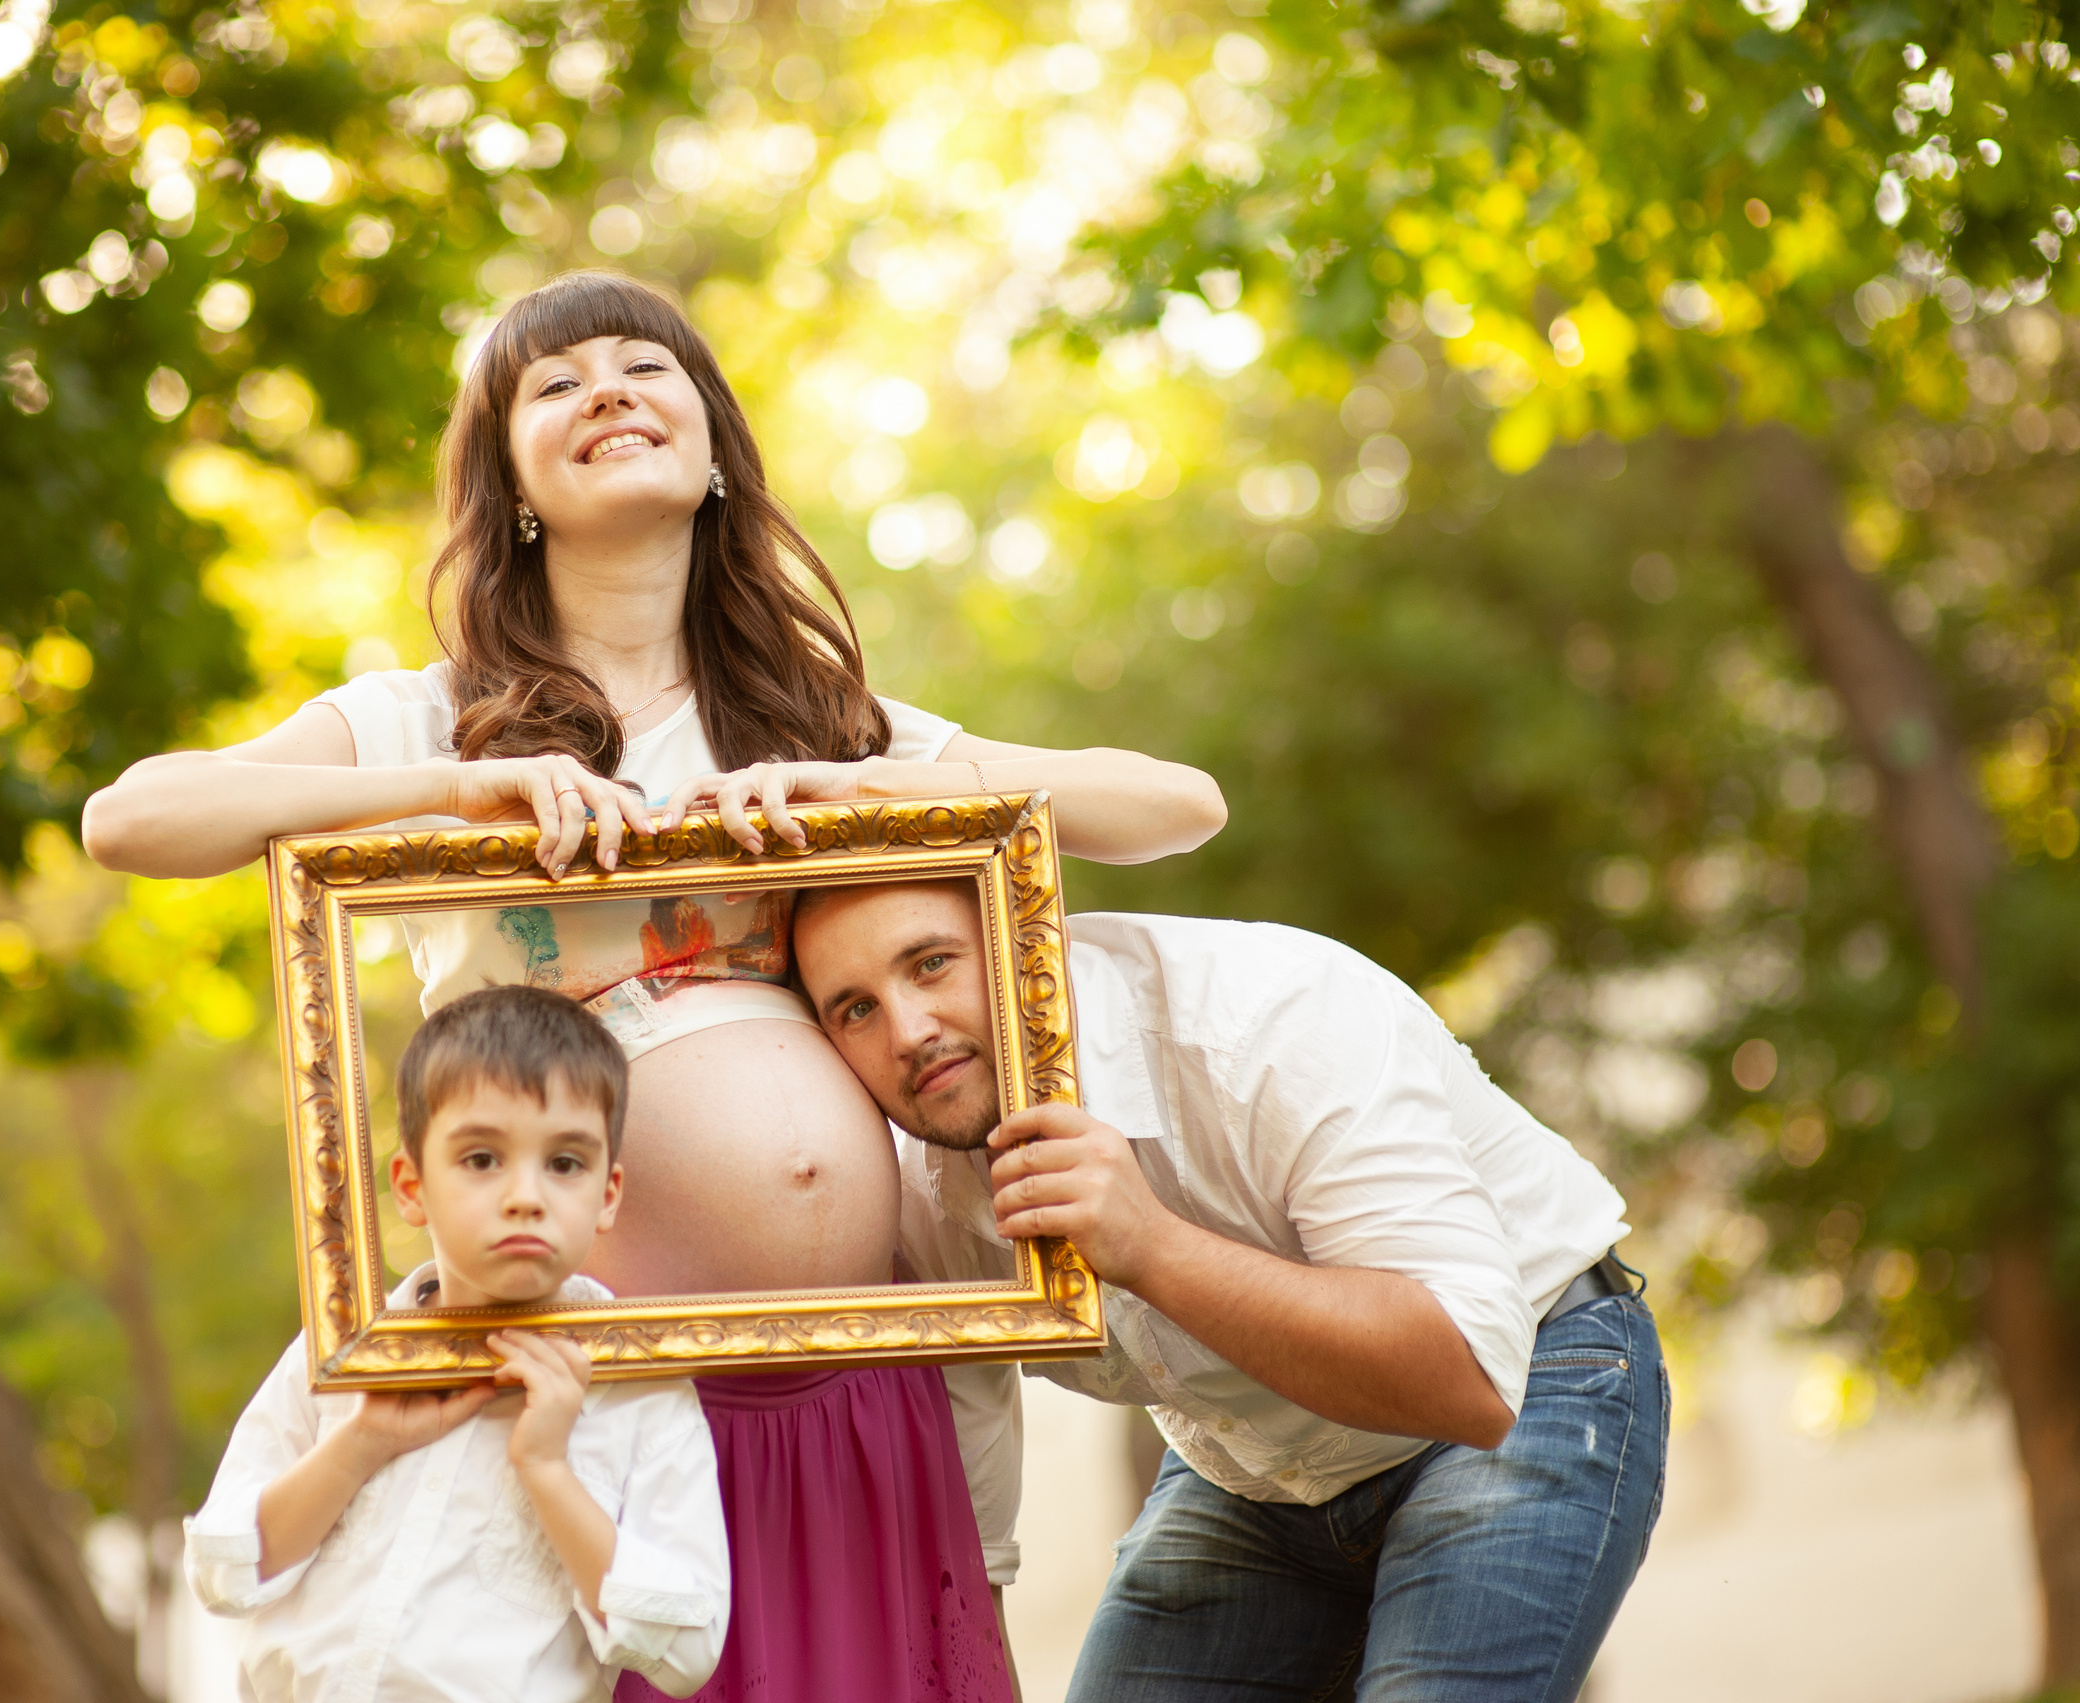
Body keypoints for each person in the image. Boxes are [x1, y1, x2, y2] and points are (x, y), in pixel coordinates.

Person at [88, 270, 1226, 1702]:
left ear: (713, 452)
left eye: (645, 366)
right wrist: (455, 788)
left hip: (858, 1380)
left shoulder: (811, 717)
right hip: (605, 1409)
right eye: (554, 383)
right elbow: (131, 819)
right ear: (508, 480)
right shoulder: (427, 714)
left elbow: (1174, 803)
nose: (607, 390)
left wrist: (883, 784)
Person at [789, 882, 1667, 1703]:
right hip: (1254, 1470)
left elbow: (1467, 1380)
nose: (907, 1030)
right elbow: (970, 1536)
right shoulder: (904, 1192)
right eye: (855, 1009)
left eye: (931, 963)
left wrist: (1151, 1243)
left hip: (1534, 1377)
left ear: (1022, 936)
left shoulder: (1267, 1018)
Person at [183, 986, 731, 1702]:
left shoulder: (638, 1383)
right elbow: (224, 1571)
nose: (525, 1195)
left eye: (565, 1162)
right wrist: (361, 1442)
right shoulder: (347, 1350)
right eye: (481, 1158)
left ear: (607, 1194)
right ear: (412, 1186)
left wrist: (547, 1467)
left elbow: (689, 1648)